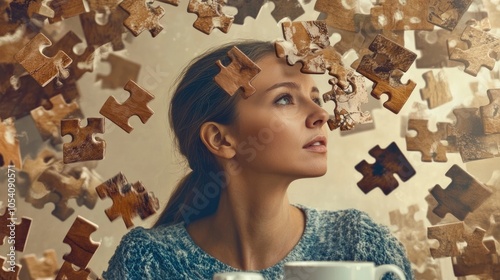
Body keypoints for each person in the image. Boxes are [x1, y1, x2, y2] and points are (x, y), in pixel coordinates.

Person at [102, 40, 415, 280]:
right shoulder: (147, 262)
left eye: (316, 99)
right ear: (221, 139)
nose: (322, 115)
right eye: (284, 99)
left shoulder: (357, 242)